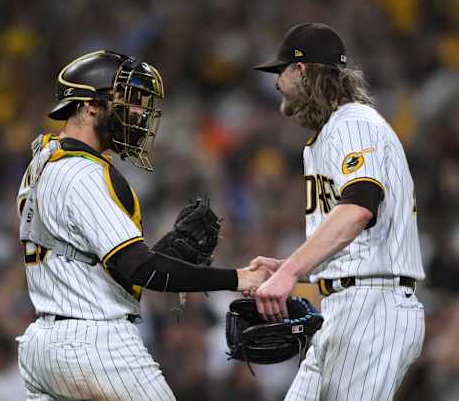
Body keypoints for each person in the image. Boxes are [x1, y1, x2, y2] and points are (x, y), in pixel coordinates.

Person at [15, 50, 269, 401]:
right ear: (89, 106)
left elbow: (98, 263)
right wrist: (238, 278)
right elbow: (139, 268)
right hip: (95, 346)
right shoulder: (84, 173)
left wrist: (161, 256)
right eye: (129, 100)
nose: (138, 112)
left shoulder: (42, 162)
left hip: (43, 345)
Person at [251, 23, 426, 400]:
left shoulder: (353, 123)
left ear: (301, 71)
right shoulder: (331, 133)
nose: (276, 82)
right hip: (345, 307)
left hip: (373, 308)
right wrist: (290, 267)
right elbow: (352, 235)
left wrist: (293, 271)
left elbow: (359, 208)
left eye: (280, 70)